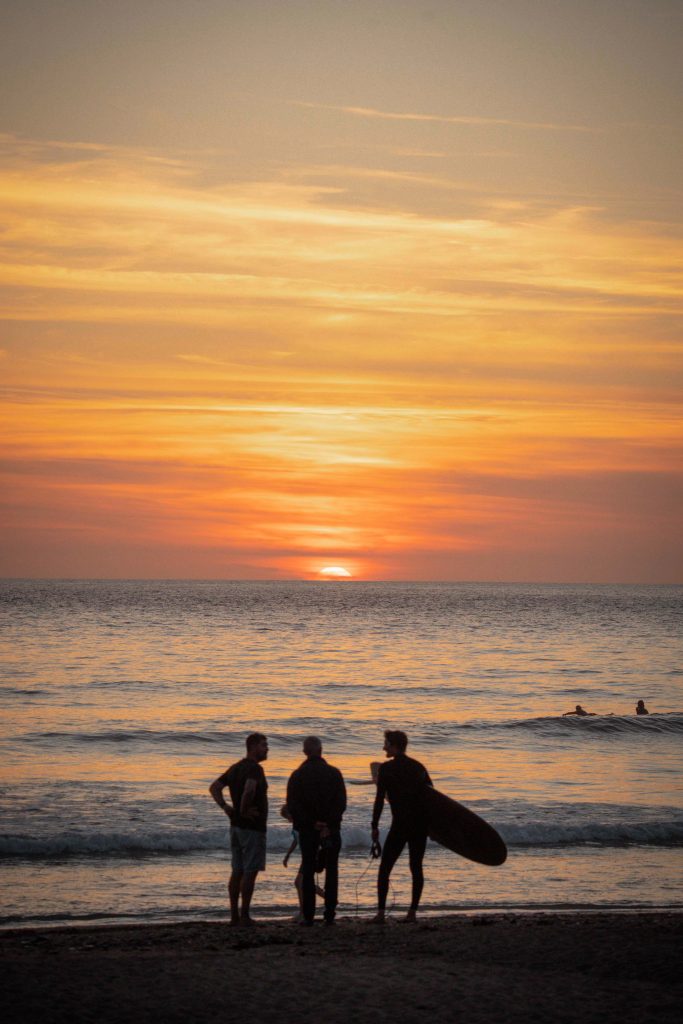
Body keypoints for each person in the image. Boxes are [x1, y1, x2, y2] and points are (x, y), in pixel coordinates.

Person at [371, 730, 433, 924]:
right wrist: (436, 828)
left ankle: (381, 913)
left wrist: (374, 825)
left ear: (395, 746)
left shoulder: (386, 769)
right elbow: (432, 798)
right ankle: (412, 913)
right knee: (416, 867)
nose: (384, 747)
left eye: (386, 744)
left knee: (385, 868)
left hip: (400, 826)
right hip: (419, 825)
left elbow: (380, 800)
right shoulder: (418, 767)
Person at [209, 732, 269, 926]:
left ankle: (234, 915)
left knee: (237, 870)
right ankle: (244, 915)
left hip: (235, 827)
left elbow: (214, 788)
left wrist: (226, 808)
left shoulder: (235, 768)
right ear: (252, 747)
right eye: (263, 745)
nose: (267, 749)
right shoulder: (255, 769)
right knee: (250, 871)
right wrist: (243, 810)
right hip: (252, 828)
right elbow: (249, 789)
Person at [286, 736, 346, 925]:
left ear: (305, 752)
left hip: (308, 830)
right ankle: (329, 914)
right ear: (321, 750)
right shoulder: (334, 773)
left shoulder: (297, 775)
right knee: (332, 871)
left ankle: (309, 916)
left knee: (309, 870)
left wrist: (312, 823)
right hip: (331, 829)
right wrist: (328, 824)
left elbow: (293, 806)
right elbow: (341, 803)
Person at [281, 803, 325, 922]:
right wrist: (287, 855)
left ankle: (303, 912)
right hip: (305, 856)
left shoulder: (303, 824)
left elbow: (315, 837)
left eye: (288, 817)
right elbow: (296, 841)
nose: (288, 820)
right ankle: (329, 898)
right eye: (286, 818)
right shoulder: (296, 827)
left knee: (299, 883)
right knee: (303, 883)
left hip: (311, 854)